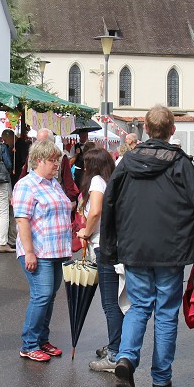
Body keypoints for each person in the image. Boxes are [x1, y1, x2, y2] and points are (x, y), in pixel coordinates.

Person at [101, 105, 194, 387]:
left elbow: (110, 205)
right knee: (165, 313)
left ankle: (126, 357)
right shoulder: (182, 164)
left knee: (139, 306)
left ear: (145, 130)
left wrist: (109, 247)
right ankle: (161, 377)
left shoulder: (126, 162)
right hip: (171, 250)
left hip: (134, 246)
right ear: (172, 130)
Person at [12, 139, 73, 362]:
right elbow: (22, 221)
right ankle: (29, 344)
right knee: (42, 295)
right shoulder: (26, 185)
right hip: (39, 251)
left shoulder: (53, 183)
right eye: (52, 160)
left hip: (56, 250)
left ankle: (42, 340)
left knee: (49, 297)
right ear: (39, 160)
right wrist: (29, 252)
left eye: (57, 160)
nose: (57, 164)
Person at [75, 148, 121, 372]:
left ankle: (115, 354)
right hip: (116, 244)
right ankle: (116, 346)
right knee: (117, 302)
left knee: (110, 303)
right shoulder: (111, 179)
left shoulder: (95, 181)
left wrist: (85, 231)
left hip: (104, 245)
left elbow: (95, 211)